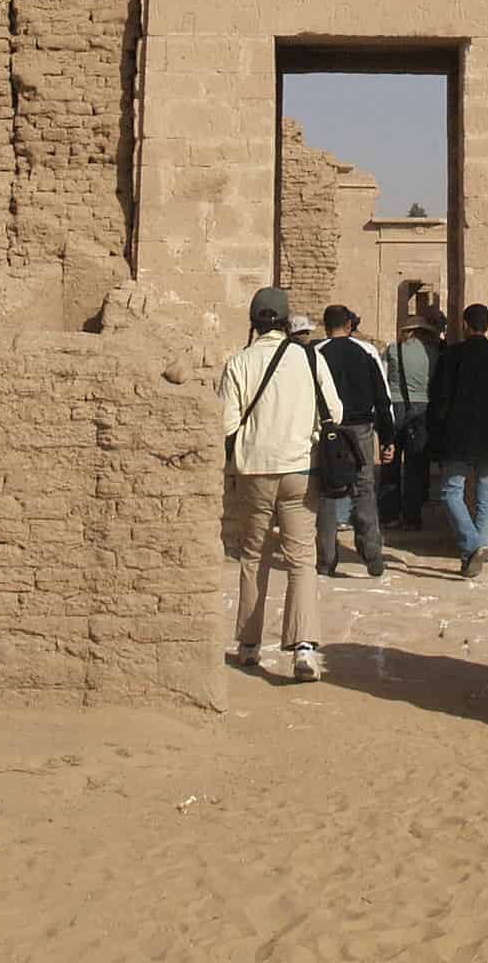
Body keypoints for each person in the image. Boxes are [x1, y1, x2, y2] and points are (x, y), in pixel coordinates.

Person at [219, 285, 343, 680]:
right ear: (288, 319)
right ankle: (303, 648)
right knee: (300, 559)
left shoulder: (240, 361)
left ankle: (249, 644)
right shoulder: (308, 359)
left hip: (254, 469)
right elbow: (334, 412)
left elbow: (225, 423)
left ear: (254, 321)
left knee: (253, 557)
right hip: (299, 469)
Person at [424, 302, 488, 577]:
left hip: (457, 437)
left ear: (466, 325)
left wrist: (436, 433)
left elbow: (439, 401)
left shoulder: (451, 357)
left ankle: (471, 545)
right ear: (487, 326)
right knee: (486, 495)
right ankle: (478, 546)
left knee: (451, 491)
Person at [314, 305, 390, 578]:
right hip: (361, 429)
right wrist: (388, 438)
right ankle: (372, 552)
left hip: (328, 429)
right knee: (365, 488)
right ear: (349, 325)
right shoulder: (365, 353)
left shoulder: (316, 354)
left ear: (326, 325)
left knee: (328, 489)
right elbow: (382, 398)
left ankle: (326, 558)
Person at [380, 314, 440, 529]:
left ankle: (389, 515)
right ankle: (412, 517)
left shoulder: (392, 349)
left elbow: (383, 377)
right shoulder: (433, 352)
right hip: (422, 408)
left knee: (390, 462)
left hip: (396, 406)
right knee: (416, 466)